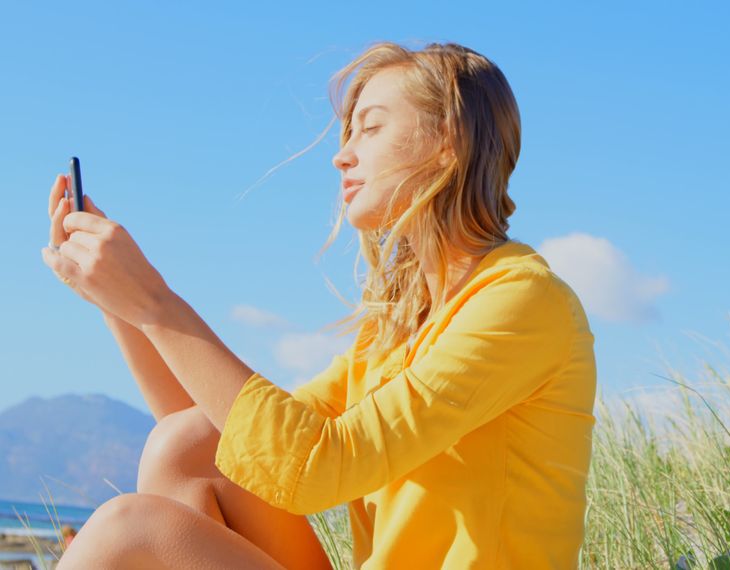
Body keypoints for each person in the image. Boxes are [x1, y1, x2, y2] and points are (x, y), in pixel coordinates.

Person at [41, 40, 596, 569]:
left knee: (126, 528)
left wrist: (156, 301)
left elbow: (318, 469)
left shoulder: (523, 302)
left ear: (448, 143)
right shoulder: (399, 328)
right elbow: (230, 443)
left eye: (371, 128)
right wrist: (121, 303)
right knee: (182, 447)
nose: (342, 157)